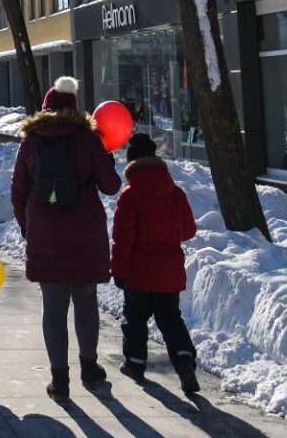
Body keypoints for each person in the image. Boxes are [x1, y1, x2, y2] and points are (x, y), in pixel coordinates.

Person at [11, 76, 122, 400]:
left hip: (46, 234)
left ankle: (60, 380)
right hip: (85, 232)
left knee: (54, 309)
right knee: (86, 301)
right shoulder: (88, 139)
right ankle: (89, 367)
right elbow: (111, 186)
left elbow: (18, 190)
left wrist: (27, 226)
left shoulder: (31, 140)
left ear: (45, 108)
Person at [110, 133, 200, 393]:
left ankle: (135, 363)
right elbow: (189, 230)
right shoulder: (175, 193)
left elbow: (122, 240)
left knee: (135, 320)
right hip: (169, 273)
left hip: (138, 274)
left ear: (131, 163)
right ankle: (184, 360)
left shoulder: (129, 196)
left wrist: (119, 271)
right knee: (171, 319)